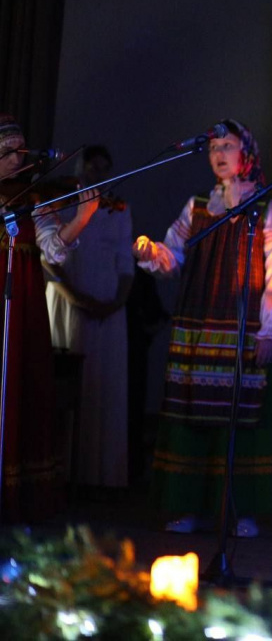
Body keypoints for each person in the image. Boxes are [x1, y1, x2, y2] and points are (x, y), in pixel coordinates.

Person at [133, 119, 272, 538]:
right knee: (192, 412)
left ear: (247, 154)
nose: (219, 154)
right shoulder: (197, 206)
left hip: (241, 324)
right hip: (198, 322)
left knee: (238, 416)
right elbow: (174, 258)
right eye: (213, 148)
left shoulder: (266, 210)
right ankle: (190, 506)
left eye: (228, 146)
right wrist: (153, 253)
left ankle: (240, 510)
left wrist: (270, 331)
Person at [0, 113, 99, 522]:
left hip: (20, 305)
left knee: (19, 385)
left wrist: (81, 219)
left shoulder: (32, 197)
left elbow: (54, 250)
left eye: (21, 151)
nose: (16, 159)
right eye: (8, 152)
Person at [45, 145, 134, 493]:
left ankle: (99, 476)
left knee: (104, 385)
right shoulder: (61, 201)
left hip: (108, 307)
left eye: (103, 168)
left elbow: (126, 262)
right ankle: (61, 473)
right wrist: (77, 298)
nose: (96, 173)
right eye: (91, 167)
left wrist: (115, 303)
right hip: (70, 301)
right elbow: (48, 259)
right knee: (66, 384)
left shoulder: (118, 209)